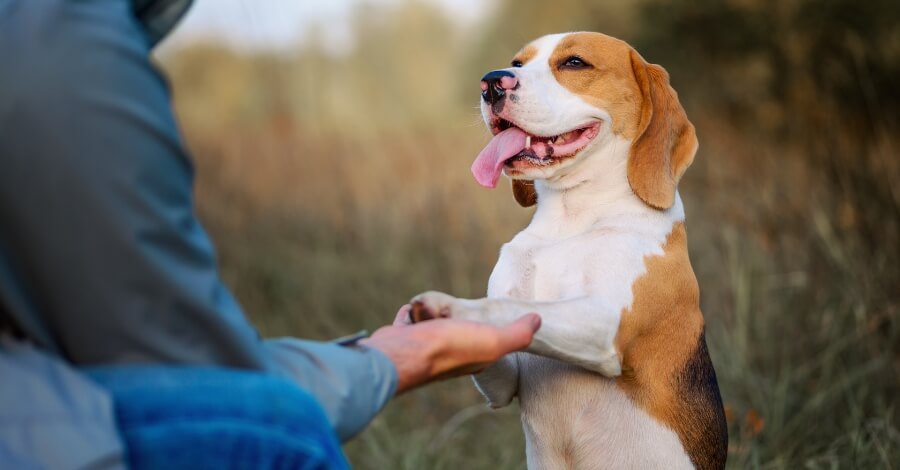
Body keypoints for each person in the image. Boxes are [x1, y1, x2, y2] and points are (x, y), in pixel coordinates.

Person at [0, 0, 541, 468]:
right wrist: (395, 360)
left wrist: (378, 355)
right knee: (278, 438)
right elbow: (209, 386)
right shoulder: (61, 46)